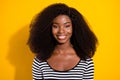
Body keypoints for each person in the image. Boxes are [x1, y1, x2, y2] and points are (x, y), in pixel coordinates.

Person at [28, 3, 98, 80]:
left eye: (67, 26)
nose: (61, 31)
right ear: (48, 28)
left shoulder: (86, 61)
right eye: (55, 26)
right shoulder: (40, 60)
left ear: (74, 27)